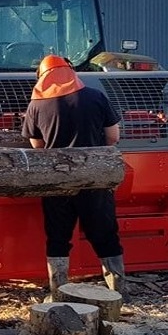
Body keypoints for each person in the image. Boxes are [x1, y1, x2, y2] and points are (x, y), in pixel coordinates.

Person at [21, 54, 127, 301]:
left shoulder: (36, 105)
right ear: (70, 71)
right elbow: (113, 137)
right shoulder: (95, 96)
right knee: (105, 234)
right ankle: (117, 292)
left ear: (43, 76)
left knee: (58, 237)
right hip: (94, 177)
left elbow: (37, 146)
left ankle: (58, 293)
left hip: (56, 182)